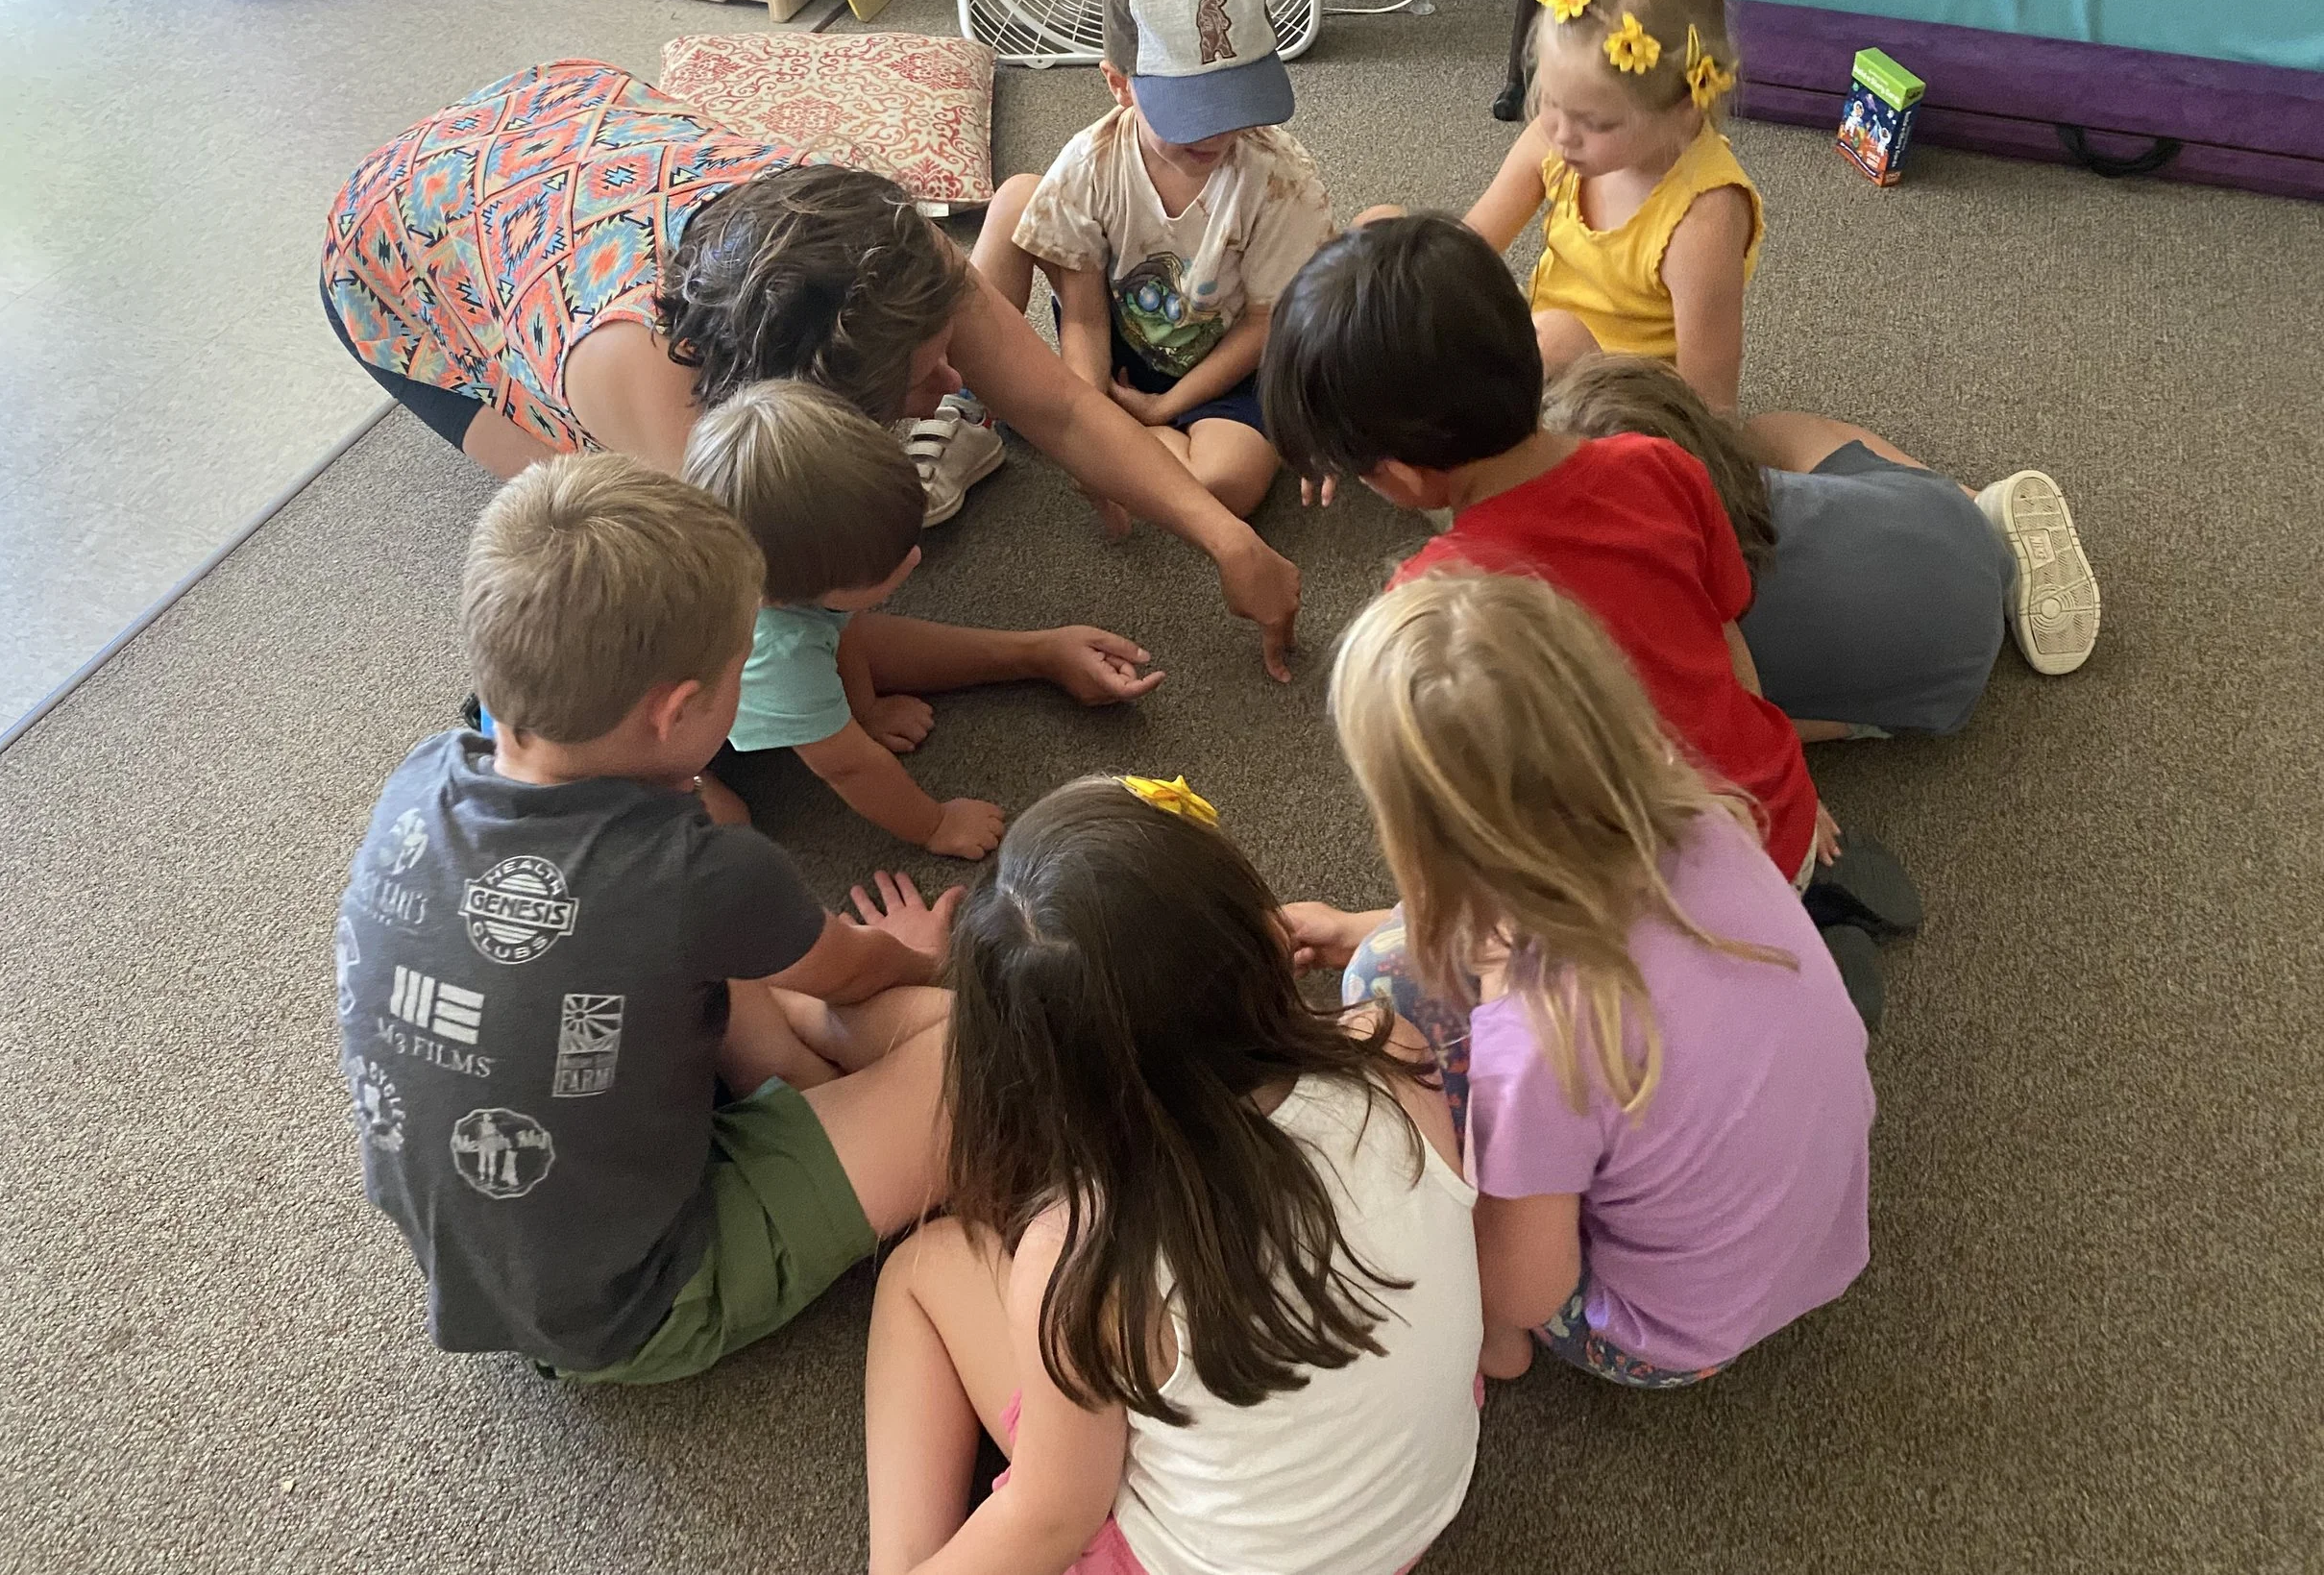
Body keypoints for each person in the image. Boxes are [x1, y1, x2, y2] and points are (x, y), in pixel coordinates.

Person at [319, 60, 1302, 678]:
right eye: (923, 381)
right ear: (816, 397)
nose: (955, 389)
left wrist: (1226, 541)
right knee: (629, 550)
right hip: (397, 251)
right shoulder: (648, 390)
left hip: (561, 113)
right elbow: (790, 625)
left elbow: (1062, 411)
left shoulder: (891, 250)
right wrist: (1028, 655)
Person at [335, 454, 954, 1385]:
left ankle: (799, 1078)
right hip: (635, 1299)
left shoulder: (422, 777)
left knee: (669, 948)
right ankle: (810, 1093)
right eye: (741, 668)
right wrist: (906, 957)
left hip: (496, 1258)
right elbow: (859, 968)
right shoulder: (696, 868)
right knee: (981, 1057)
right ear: (674, 713)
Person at [866, 777, 1480, 1575]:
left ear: (1026, 1077)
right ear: (1260, 937)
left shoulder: (1080, 1255)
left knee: (918, 1271)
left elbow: (1051, 1516)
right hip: (1412, 1501)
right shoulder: (1385, 1044)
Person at [1289, 572, 1876, 1389]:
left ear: (1423, 843)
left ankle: (1492, 1347)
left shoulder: (1540, 1040)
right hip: (1824, 1233)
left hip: (1671, 1340)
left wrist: (1390, 942)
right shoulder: (1704, 817)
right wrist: (1383, 920)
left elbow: (1532, 1285)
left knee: (1385, 983)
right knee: (1391, 952)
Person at [1261, 213, 1829, 886]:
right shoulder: (1659, 460)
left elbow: (1476, 832)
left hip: (1668, 907)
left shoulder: (1432, 604)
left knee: (1397, 966)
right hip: (1781, 817)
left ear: (1403, 477)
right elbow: (1727, 636)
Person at [683, 382, 1165, 859]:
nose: (914, 558)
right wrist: (935, 824)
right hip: (633, 769)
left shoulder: (783, 576)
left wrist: (865, 709)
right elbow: (849, 768)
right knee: (727, 836)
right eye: (888, 564)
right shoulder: (779, 656)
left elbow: (841, 626)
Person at [971, 0, 1333, 533]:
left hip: (1229, 364)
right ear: (1119, 85)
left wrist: (1166, 407)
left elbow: (1265, 325)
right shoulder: (1092, 163)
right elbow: (1084, 317)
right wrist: (1093, 426)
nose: (1216, 133)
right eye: (1193, 110)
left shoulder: (1282, 181)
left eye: (1235, 100)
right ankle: (977, 411)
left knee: (1231, 483)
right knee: (1016, 200)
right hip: (1114, 348)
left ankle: (1085, 428)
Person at [1542, 355, 2102, 734]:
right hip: (1947, 525)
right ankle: (1984, 505)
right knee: (1773, 428)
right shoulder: (1756, 488)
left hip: (1944, 691)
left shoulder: (1673, 626)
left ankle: (1864, 709)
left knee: (1758, 711)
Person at [1437, 0, 1761, 410]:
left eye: (1597, 123)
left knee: (1551, 340)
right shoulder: (1557, 142)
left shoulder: (1702, 218)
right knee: (1390, 241)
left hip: (1627, 416)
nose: (1562, 135)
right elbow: (1464, 251)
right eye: (1550, 100)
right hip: (1543, 362)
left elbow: (1710, 405)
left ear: (1686, 110)